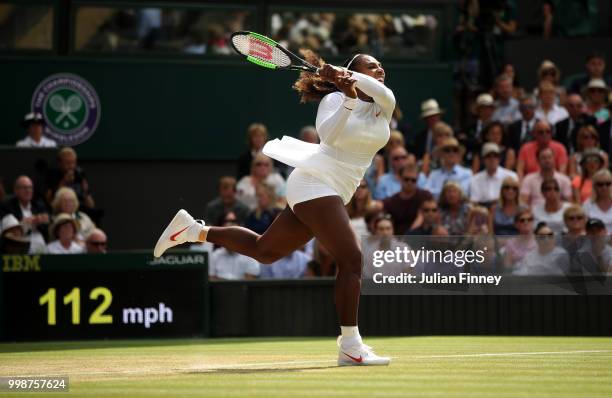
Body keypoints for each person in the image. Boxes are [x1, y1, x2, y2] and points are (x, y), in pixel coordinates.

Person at [154, 52, 394, 365]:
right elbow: (329, 136)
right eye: (371, 66)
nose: (380, 69)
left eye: (379, 65)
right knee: (352, 259)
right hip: (314, 182)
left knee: (264, 250)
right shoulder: (333, 101)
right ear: (353, 71)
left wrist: (340, 75)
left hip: (334, 189)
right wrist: (346, 95)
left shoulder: (383, 102)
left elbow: (380, 91)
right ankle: (351, 345)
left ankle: (194, 230)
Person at [1, 175, 49, 253]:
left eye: (30, 187)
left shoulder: (38, 204)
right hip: (19, 245)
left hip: (39, 242)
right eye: (24, 188)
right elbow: (8, 230)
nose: (28, 190)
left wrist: (42, 220)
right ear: (16, 190)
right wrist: (23, 224)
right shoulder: (7, 206)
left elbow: (47, 224)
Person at [208, 212, 260, 281]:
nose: (230, 239)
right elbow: (212, 280)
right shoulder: (215, 255)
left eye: (233, 235)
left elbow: (250, 281)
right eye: (227, 235)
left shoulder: (250, 254)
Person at [382, 164, 432, 234]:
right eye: (406, 179)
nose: (409, 182)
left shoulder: (425, 196)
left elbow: (422, 217)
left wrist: (409, 235)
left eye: (413, 180)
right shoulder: (391, 201)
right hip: (397, 238)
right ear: (400, 178)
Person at [45, 147, 96, 214]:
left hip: (79, 212)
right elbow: (49, 202)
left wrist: (85, 191)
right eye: (68, 163)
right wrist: (64, 182)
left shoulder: (79, 174)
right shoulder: (52, 174)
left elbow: (91, 205)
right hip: (60, 212)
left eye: (73, 162)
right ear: (60, 163)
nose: (71, 166)